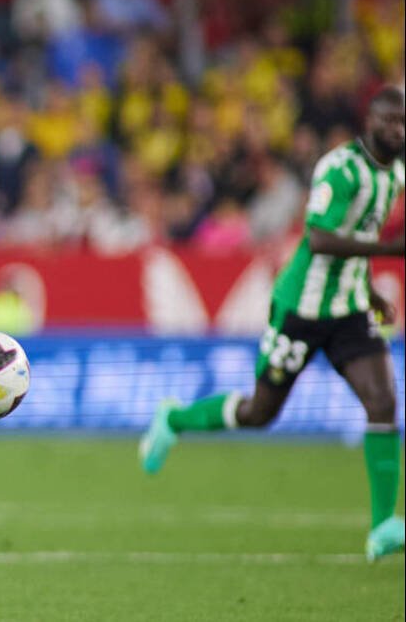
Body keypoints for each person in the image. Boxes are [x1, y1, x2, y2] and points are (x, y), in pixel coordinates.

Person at [140, 85, 406, 562]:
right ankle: (174, 418)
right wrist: (390, 252)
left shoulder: (394, 176)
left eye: (404, 124)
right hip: (300, 310)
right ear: (371, 121)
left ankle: (384, 523)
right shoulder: (338, 168)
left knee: (383, 400)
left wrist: (368, 293)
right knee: (260, 412)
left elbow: (358, 234)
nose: (398, 131)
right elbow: (322, 238)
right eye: (390, 122)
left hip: (346, 311)